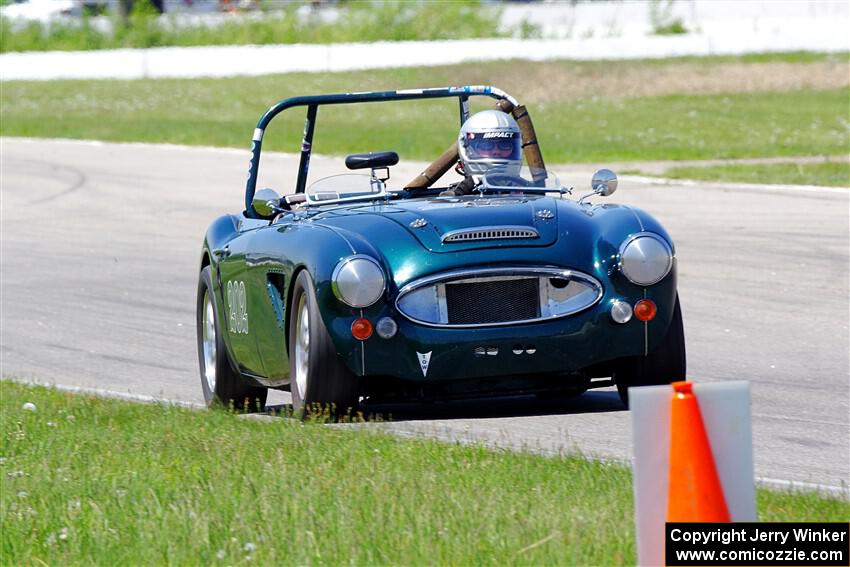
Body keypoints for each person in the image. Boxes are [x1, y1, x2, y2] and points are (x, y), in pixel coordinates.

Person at [444, 110, 524, 196]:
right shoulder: (455, 196)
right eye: (486, 146)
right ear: (470, 150)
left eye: (504, 145)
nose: (496, 152)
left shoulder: (528, 192)